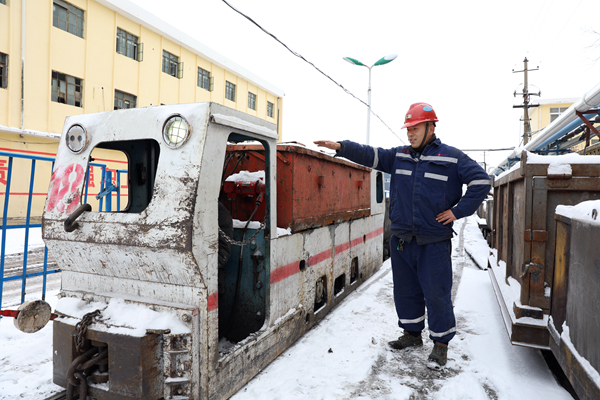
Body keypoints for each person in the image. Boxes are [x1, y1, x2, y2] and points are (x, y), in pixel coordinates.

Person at [314, 102, 491, 369]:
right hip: (401, 240)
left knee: (436, 294)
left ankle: (440, 344)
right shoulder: (399, 156)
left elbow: (481, 181)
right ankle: (411, 335)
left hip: (433, 242)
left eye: (415, 128)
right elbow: (370, 154)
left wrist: (458, 211)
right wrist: (341, 147)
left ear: (431, 127)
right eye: (408, 129)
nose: (410, 134)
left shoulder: (452, 158)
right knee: (406, 292)